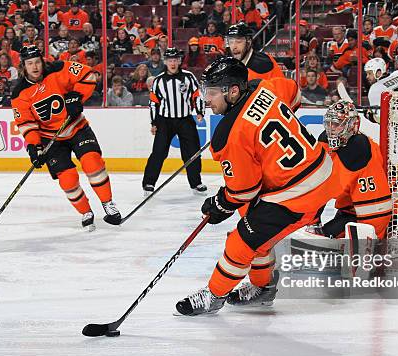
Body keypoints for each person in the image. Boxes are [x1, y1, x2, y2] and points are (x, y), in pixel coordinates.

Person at [175, 57, 340, 315]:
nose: (206, 99)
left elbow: (244, 191)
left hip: (298, 194)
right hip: (320, 171)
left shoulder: (231, 134)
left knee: (240, 242)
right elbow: (293, 91)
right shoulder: (264, 87)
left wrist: (219, 203)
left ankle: (214, 296)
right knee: (256, 231)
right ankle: (263, 289)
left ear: (233, 91)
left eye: (212, 92)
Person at [11, 46, 122, 230]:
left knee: (92, 163)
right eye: (30, 64)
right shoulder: (19, 94)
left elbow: (90, 75)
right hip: (50, 138)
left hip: (77, 127)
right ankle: (86, 212)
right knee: (68, 180)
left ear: (42, 60)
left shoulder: (59, 68)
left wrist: (76, 97)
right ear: (23, 67)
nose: (35, 67)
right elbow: (26, 123)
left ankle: (108, 204)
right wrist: (34, 147)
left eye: (37, 61)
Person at [312, 101, 392, 239]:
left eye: (336, 124)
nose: (331, 129)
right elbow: (319, 182)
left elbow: (377, 210)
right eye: (329, 123)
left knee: (332, 240)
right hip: (352, 207)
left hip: (386, 209)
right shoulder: (325, 140)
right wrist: (314, 220)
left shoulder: (359, 149)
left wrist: (372, 240)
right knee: (324, 235)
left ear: (351, 125)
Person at [144, 47, 207, 196]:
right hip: (164, 121)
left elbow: (197, 95)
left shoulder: (188, 77)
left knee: (192, 152)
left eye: (175, 60)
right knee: (158, 152)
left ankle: (196, 183)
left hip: (185, 119)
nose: (172, 63)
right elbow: (154, 103)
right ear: (165, 61)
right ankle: (148, 183)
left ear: (179, 61)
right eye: (170, 60)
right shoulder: (158, 80)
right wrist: (153, 122)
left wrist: (199, 112)